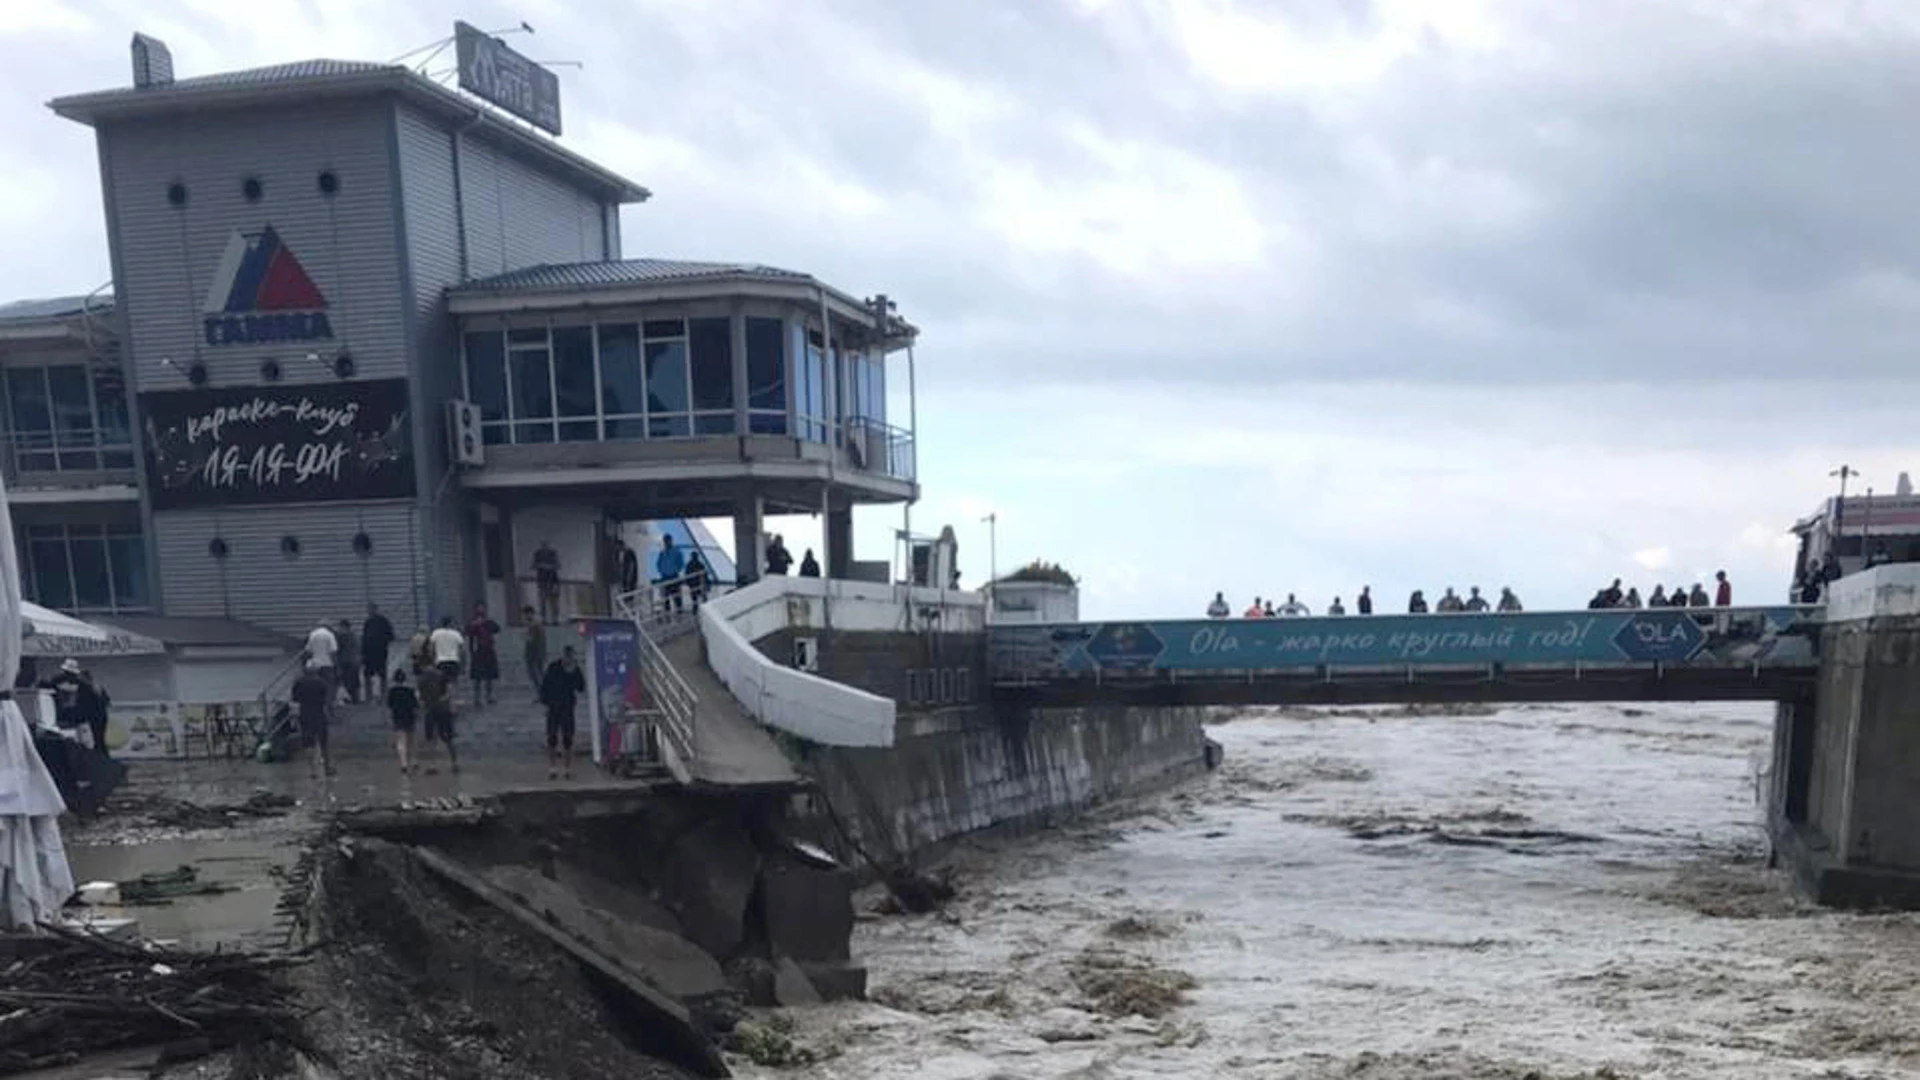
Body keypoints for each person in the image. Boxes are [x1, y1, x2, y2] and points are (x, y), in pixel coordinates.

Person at [540, 646, 587, 780]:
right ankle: (552, 767)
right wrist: (546, 702)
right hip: (554, 706)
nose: (569, 659)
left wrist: (574, 672)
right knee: (552, 737)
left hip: (567, 706)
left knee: (568, 738)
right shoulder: (554, 667)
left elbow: (581, 687)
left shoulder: (575, 669)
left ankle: (567, 768)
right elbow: (545, 685)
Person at [415, 663, 458, 775]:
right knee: (448, 738)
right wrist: (444, 701)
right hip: (442, 709)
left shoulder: (422, 679)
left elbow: (419, 697)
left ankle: (432, 764)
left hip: (431, 709)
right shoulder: (441, 676)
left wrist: (424, 704)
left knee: (431, 738)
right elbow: (449, 692)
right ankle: (454, 763)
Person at [290, 666, 334, 778]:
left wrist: (294, 717)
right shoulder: (321, 683)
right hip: (319, 715)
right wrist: (329, 714)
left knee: (308, 743)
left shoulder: (298, 683)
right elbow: (326, 701)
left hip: (305, 715)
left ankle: (312, 770)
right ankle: (327, 768)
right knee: (323, 742)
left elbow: (295, 701)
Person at [466, 604, 501, 707]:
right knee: (477, 677)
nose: (481, 610)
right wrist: (475, 625)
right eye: (479, 608)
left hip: (488, 651)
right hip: (477, 652)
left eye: (482, 608)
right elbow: (468, 631)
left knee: (489, 675)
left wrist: (485, 623)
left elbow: (496, 628)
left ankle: (489, 696)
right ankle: (477, 698)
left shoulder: (488, 622)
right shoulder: (472, 623)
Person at [386, 668, 418, 774]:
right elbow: (415, 704)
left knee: (400, 741)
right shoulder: (410, 691)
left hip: (397, 717)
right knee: (411, 740)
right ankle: (413, 761)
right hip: (409, 717)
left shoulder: (392, 691)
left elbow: (389, 705)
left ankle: (403, 763)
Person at [362, 603, 395, 700]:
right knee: (368, 674)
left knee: (382, 674)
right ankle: (369, 696)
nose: (369, 611)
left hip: (380, 652)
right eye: (368, 609)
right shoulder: (368, 622)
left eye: (371, 609)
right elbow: (364, 638)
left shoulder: (383, 621)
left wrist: (382, 642)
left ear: (376, 609)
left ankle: (383, 695)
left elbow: (391, 636)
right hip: (369, 653)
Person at [429, 616, 465, 695]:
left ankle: (443, 698)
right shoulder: (456, 634)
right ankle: (453, 698)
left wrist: (432, 660)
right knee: (453, 681)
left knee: (441, 682)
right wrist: (462, 663)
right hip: (453, 660)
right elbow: (462, 649)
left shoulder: (436, 633)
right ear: (450, 624)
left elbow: (431, 648)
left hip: (440, 661)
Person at [305, 620, 339, 701]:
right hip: (327, 664)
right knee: (329, 685)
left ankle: (318, 702)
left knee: (316, 685)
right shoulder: (329, 635)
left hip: (315, 665)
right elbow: (333, 651)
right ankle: (328, 704)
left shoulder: (313, 634)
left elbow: (308, 650)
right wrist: (336, 664)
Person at [522, 605, 547, 703]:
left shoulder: (533, 625)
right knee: (539, 674)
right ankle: (542, 693)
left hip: (534, 653)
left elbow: (531, 639)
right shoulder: (535, 624)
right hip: (535, 652)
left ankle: (541, 694)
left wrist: (525, 635)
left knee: (536, 675)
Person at [657, 534, 688, 613]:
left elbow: (681, 563)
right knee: (665, 597)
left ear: (671, 541)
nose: (666, 542)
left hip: (673, 576)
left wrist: (675, 570)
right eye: (665, 541)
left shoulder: (676, 551)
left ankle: (679, 612)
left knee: (676, 596)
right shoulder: (662, 552)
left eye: (668, 540)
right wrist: (661, 571)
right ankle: (667, 612)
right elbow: (659, 563)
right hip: (665, 576)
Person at [532, 540, 562, 624]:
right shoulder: (537, 554)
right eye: (543, 545)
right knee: (543, 600)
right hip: (542, 580)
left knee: (554, 600)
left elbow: (558, 565)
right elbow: (533, 565)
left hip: (553, 580)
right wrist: (542, 566)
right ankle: (544, 619)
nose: (545, 546)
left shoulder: (553, 553)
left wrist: (548, 567)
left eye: (546, 545)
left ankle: (555, 619)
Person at [334, 618, 360, 704]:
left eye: (340, 627)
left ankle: (352, 698)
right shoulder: (354, 635)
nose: (339, 629)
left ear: (344, 626)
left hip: (346, 661)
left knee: (347, 681)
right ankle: (355, 699)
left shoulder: (342, 636)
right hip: (355, 660)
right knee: (354, 681)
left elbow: (338, 649)